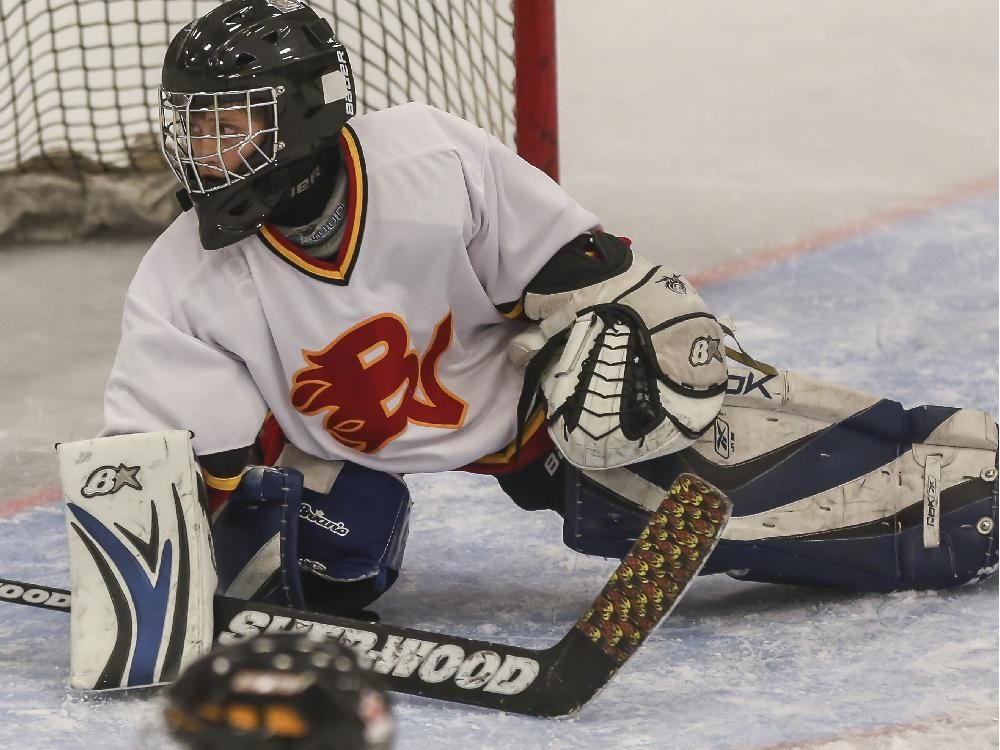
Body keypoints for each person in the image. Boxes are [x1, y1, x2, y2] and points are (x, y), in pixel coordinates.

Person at [82, 0, 996, 647]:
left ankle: (967, 481)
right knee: (327, 554)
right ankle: (345, 536)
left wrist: (664, 350)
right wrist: (169, 567)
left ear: (308, 111)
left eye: (231, 125)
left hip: (525, 417)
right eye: (196, 129)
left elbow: (587, 268)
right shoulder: (181, 280)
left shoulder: (429, 158)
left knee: (702, 487)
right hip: (330, 451)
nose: (205, 153)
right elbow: (162, 466)